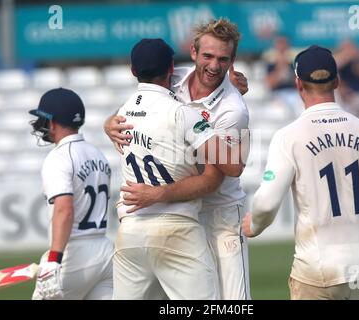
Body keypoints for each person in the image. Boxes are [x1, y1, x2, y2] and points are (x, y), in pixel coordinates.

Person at [242, 45, 359, 300]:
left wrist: (254, 225)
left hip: (319, 265)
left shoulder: (289, 137)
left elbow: (266, 203)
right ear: (337, 81)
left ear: (298, 84)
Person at [105, 18, 251, 300]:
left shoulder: (234, 109)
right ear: (193, 53)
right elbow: (140, 104)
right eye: (207, 56)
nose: (214, 66)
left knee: (233, 303)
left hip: (219, 214)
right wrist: (109, 123)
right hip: (180, 214)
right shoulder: (174, 77)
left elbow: (232, 168)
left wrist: (159, 192)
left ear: (232, 61)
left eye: (223, 59)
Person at [29, 88, 113, 300]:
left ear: (52, 122)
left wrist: (54, 259)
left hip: (74, 253)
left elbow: (64, 210)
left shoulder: (58, 157)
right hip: (105, 251)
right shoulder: (97, 154)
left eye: (42, 119)